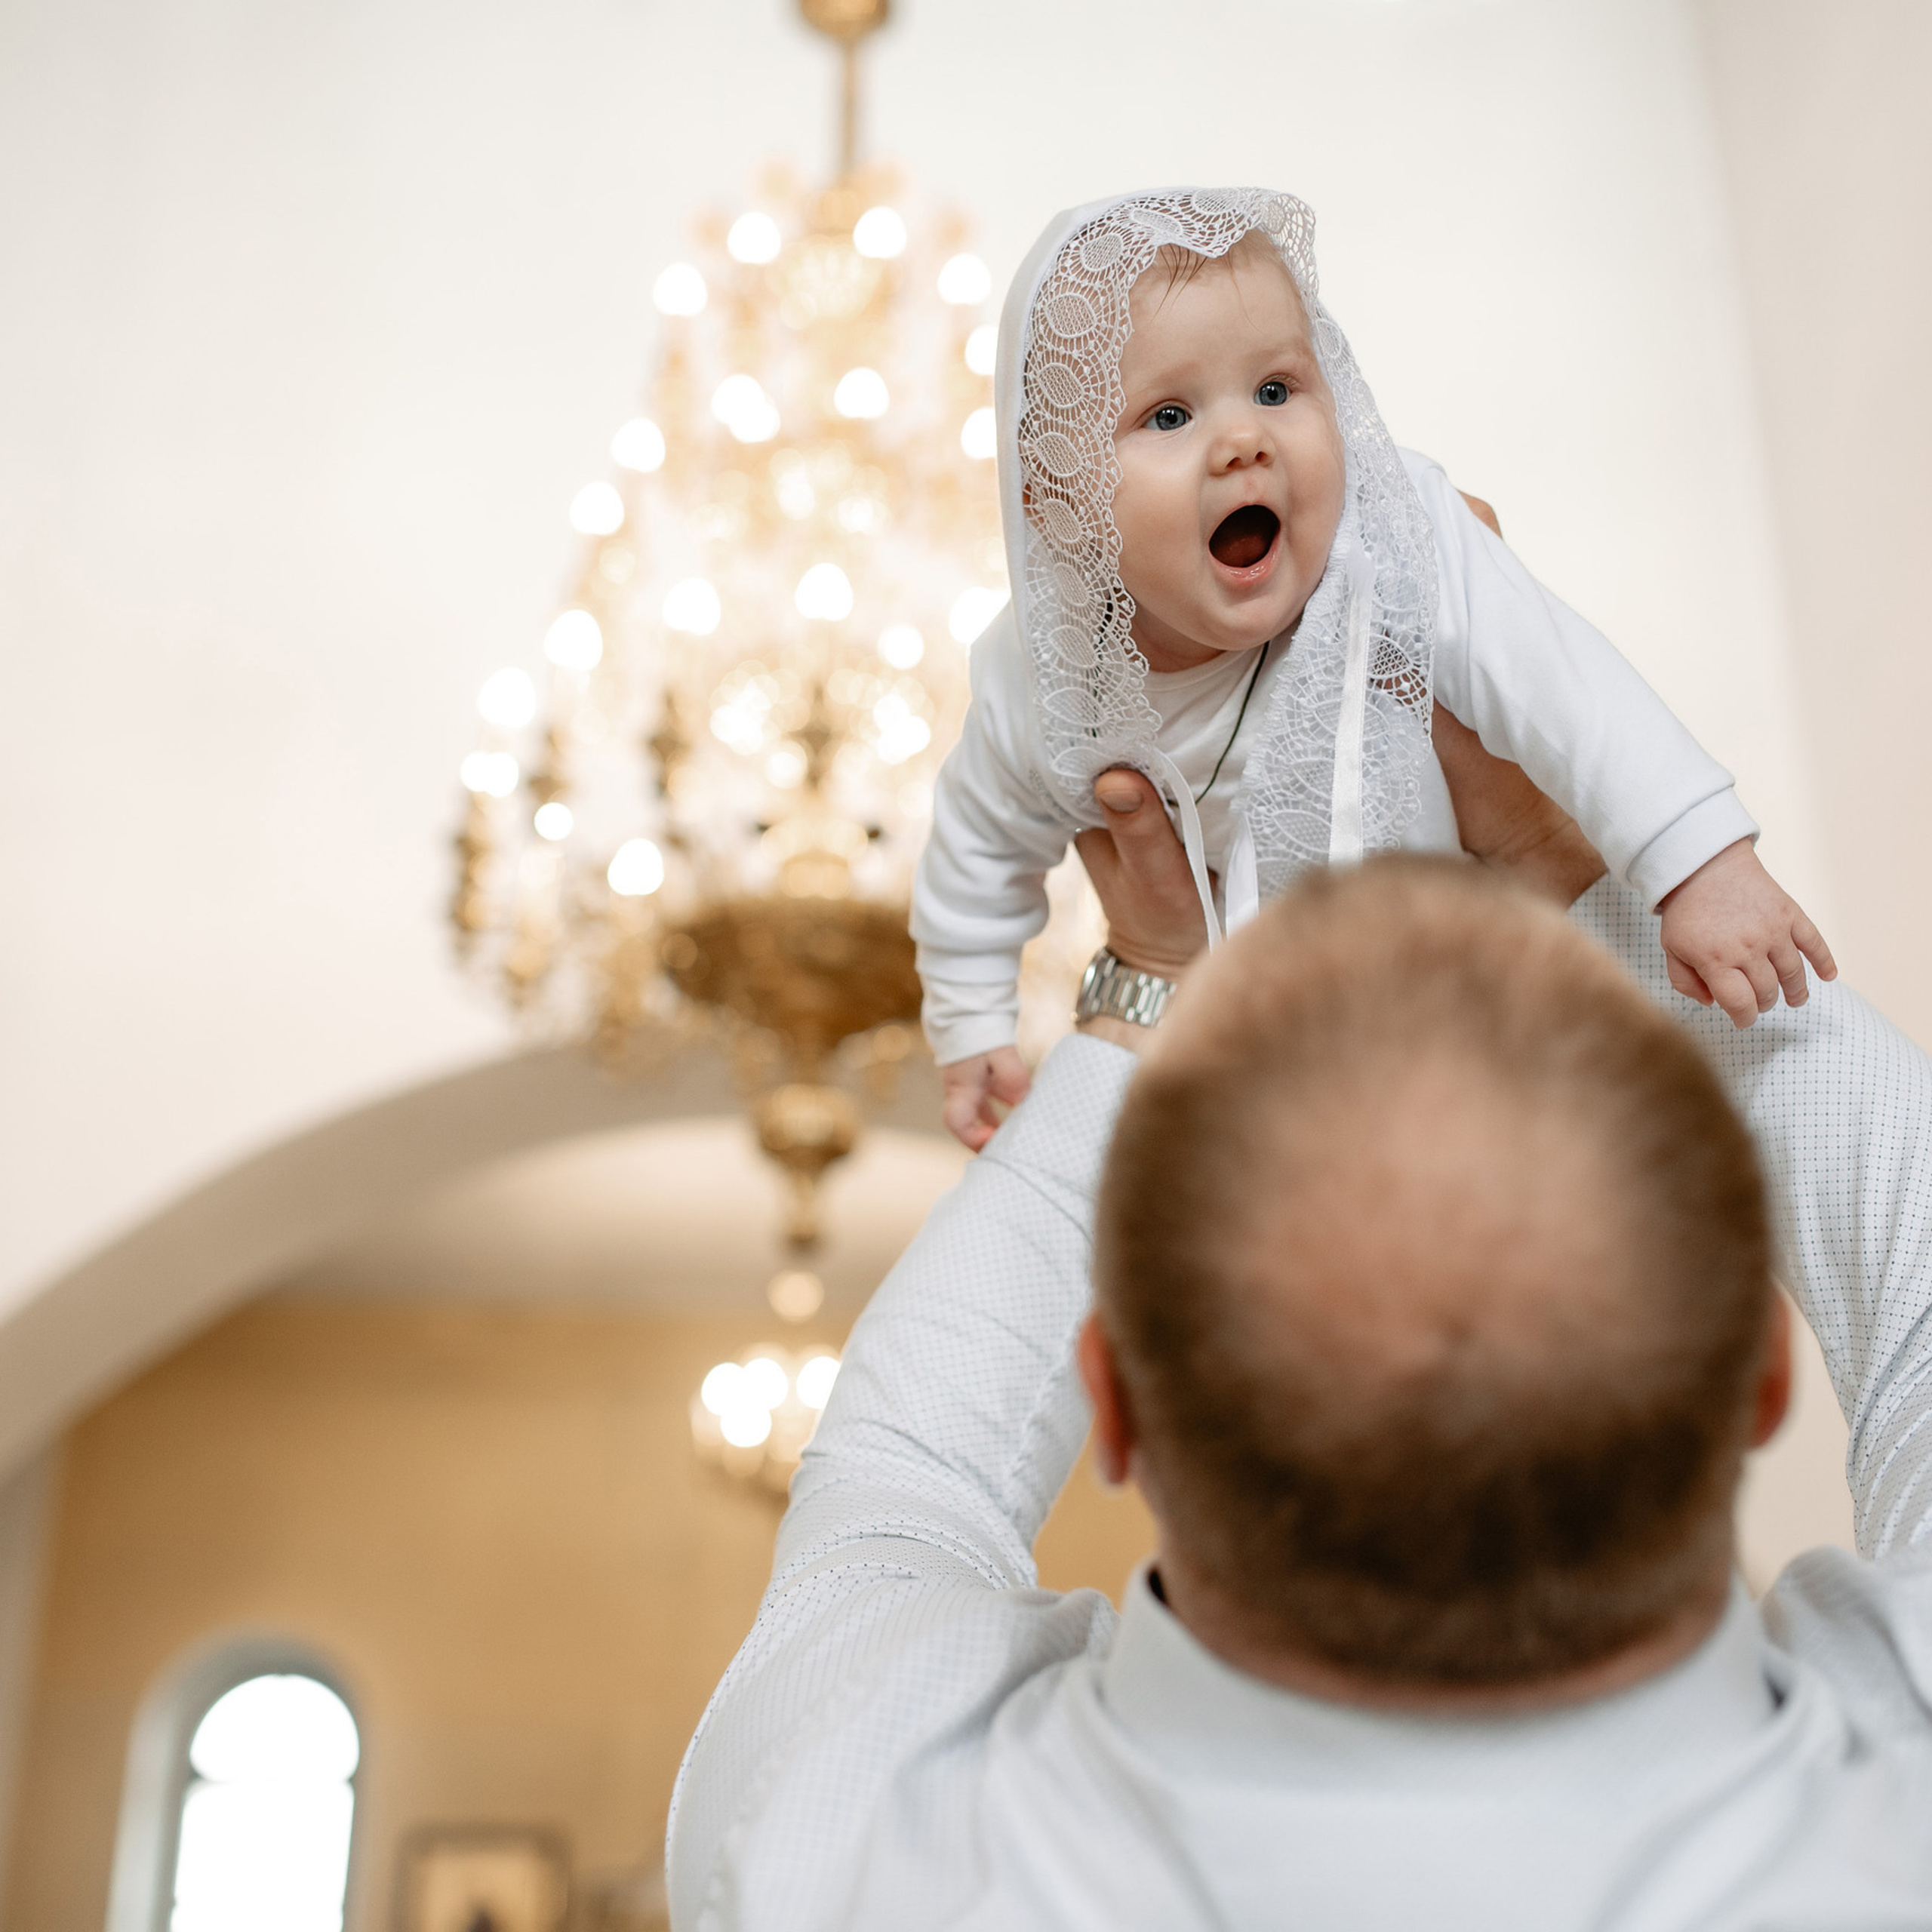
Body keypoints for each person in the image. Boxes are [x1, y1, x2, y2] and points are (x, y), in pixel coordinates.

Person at [666, 744, 1932, 1929]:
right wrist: (1564, 867)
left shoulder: (843, 1842)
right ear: (1766, 1374)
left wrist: (1147, 980)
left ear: (1113, 1404)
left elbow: (905, 1485)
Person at [912, 188, 1833, 1148]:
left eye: (1276, 389)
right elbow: (977, 845)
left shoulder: (1394, 534)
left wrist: (1701, 867)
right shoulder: (1043, 677)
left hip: (1480, 950)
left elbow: (1570, 689)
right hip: (1263, 1046)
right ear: (1057, 502)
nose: (1243, 440)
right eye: (1170, 413)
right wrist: (970, 1021)